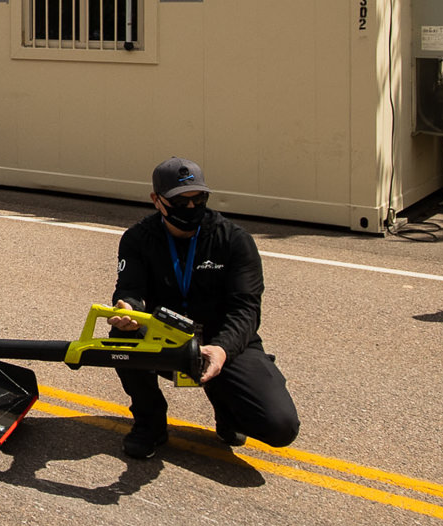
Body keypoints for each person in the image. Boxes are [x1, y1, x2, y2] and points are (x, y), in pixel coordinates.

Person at [109, 158, 301, 460]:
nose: (190, 207)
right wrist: (128, 310)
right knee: (119, 340)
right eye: (179, 201)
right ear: (156, 201)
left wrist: (222, 350)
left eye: (198, 199)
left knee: (280, 427)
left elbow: (246, 310)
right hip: (165, 336)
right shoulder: (137, 239)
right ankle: (150, 421)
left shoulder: (235, 240)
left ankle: (229, 408)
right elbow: (130, 290)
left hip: (223, 339)